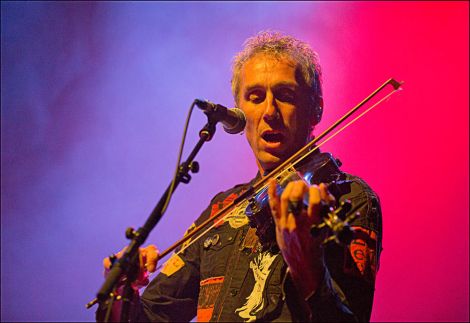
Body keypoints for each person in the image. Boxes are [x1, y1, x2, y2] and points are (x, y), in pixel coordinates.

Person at [97, 31, 382, 322]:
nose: (270, 112)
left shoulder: (349, 197)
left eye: (285, 96)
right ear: (240, 113)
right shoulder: (222, 209)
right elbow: (153, 315)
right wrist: (123, 292)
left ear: (316, 109)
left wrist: (306, 264)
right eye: (256, 97)